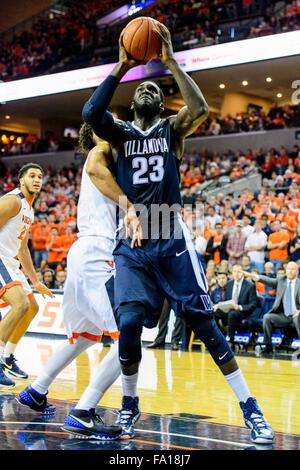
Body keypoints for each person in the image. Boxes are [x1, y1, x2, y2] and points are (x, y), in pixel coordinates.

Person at [82, 23, 274, 444]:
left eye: (155, 89)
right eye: (141, 89)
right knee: (129, 323)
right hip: (132, 243)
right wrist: (121, 65)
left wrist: (170, 61)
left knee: (204, 325)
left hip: (170, 236)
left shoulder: (172, 130)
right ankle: (129, 404)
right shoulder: (118, 133)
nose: (148, 90)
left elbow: (200, 108)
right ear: (131, 104)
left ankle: (251, 409)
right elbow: (91, 115)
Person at [18, 125, 142, 440]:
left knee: (85, 336)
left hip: (83, 253)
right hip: (97, 254)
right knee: (127, 338)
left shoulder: (102, 158)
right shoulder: (101, 152)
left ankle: (37, 389)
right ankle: (83, 411)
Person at [0, 163, 53, 388]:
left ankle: (7, 357)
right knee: (20, 304)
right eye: (32, 175)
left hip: (11, 261)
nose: (37, 179)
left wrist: (36, 281)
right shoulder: (13, 201)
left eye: (40, 176)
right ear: (21, 180)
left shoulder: (29, 209)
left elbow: (22, 250)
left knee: (31, 307)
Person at [244, 262, 300, 355]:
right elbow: (268, 280)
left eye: (293, 269)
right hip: (284, 316)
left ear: (297, 271)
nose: (290, 271)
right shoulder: (281, 280)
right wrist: (255, 276)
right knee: (267, 317)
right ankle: (268, 347)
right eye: (288, 269)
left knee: (296, 318)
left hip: (297, 315)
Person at [225, 264, 258, 348]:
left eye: (239, 272)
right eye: (234, 271)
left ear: (243, 273)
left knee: (232, 314)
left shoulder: (250, 285)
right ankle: (217, 338)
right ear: (232, 273)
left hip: (244, 312)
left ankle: (231, 340)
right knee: (215, 313)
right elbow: (226, 300)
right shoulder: (229, 284)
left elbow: (253, 305)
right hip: (229, 309)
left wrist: (239, 307)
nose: (236, 274)